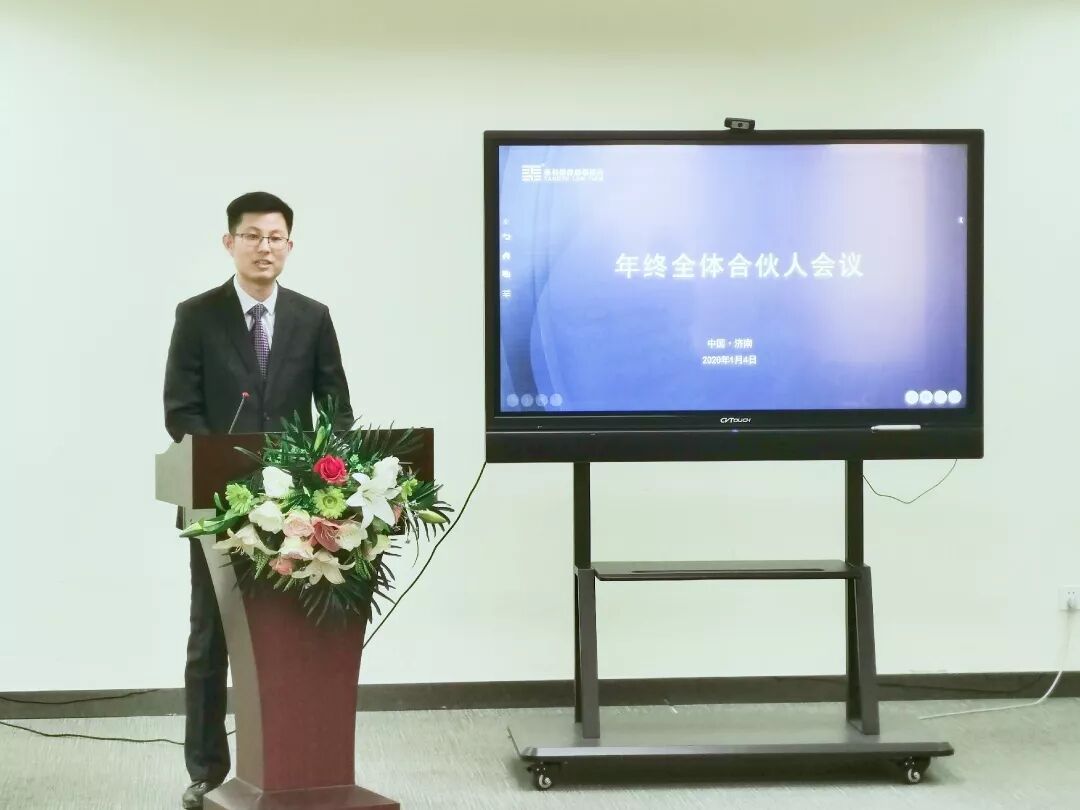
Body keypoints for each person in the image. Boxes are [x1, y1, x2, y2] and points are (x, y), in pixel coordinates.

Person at [163, 191, 354, 809]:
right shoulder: (197, 315)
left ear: (289, 246)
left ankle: (290, 763)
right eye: (252, 236)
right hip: (217, 504)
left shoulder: (313, 316)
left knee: (290, 635)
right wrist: (227, 472)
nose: (264, 247)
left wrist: (327, 473)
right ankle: (206, 769)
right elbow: (181, 411)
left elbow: (336, 408)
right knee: (210, 635)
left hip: (300, 509)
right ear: (230, 242)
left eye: (275, 238)